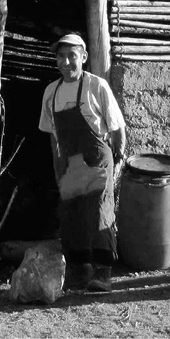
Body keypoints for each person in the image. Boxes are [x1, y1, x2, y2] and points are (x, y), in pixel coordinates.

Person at [39, 33, 126, 292]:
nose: (66, 62)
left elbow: (117, 127)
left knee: (99, 212)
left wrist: (118, 158)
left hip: (97, 158)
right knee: (72, 215)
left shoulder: (96, 86)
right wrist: (57, 165)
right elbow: (53, 136)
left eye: (72, 56)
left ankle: (103, 273)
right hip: (69, 162)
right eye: (61, 56)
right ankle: (80, 271)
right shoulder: (51, 92)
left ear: (84, 57)